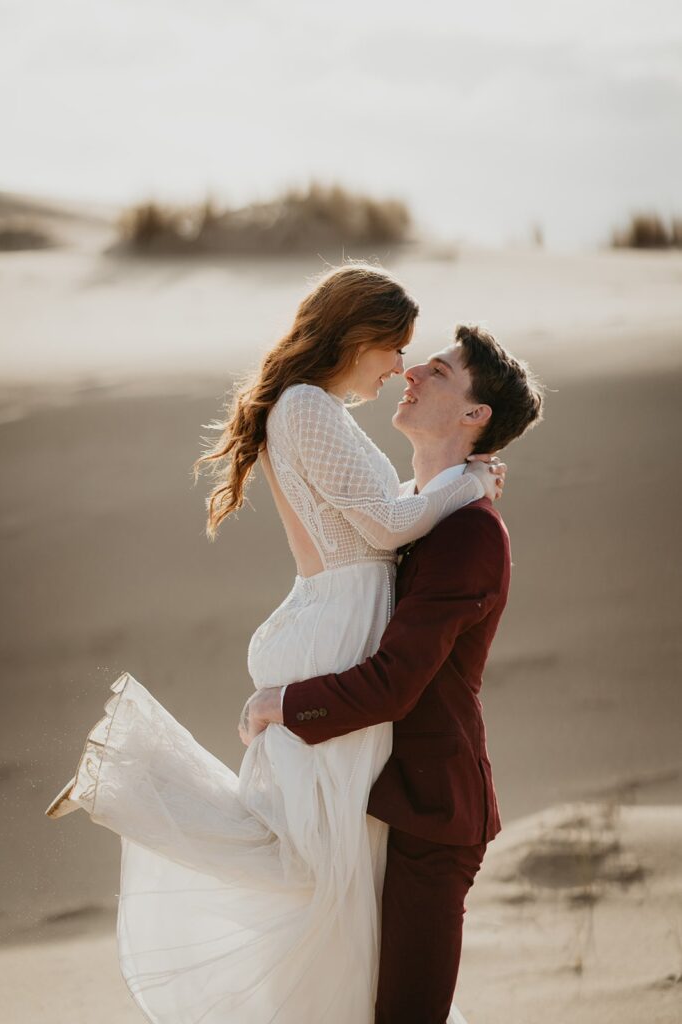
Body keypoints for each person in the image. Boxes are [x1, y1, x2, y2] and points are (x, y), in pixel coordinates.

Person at [44, 264, 502, 1024]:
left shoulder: (307, 410)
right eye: (392, 348)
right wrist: (469, 484)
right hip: (334, 630)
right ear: (354, 334)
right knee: (313, 862)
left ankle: (139, 778)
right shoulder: (307, 408)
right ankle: (136, 774)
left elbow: (381, 515)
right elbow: (389, 525)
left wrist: (452, 486)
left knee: (317, 854)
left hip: (333, 623)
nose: (397, 369)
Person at [240, 322, 544, 1024]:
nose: (411, 373)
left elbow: (395, 682)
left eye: (437, 371)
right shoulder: (411, 512)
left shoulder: (469, 535)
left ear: (475, 416)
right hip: (372, 794)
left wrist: (282, 704)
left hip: (431, 815)